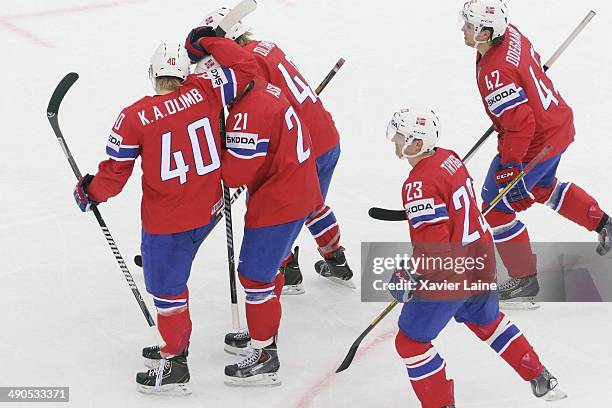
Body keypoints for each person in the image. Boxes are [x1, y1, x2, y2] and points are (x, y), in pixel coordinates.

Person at [72, 31, 257, 394]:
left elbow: (113, 176)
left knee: (166, 291)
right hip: (210, 209)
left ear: (153, 73)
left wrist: (88, 191)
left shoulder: (134, 116)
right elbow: (246, 68)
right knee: (171, 279)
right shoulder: (206, 88)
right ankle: (174, 346)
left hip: (167, 222)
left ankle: (175, 363)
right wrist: (211, 41)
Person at [385, 107, 566, 407]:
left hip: (451, 275)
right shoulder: (450, 158)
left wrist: (410, 276)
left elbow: (436, 249)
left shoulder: (417, 186)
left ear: (417, 144)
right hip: (481, 262)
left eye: (401, 135)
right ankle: (540, 376)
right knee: (489, 322)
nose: (394, 140)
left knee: (411, 344)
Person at [460, 0, 611, 306]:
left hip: (537, 139)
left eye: (470, 25)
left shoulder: (495, 72)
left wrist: (511, 166)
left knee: (495, 204)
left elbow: (521, 124)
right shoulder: (510, 33)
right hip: (556, 123)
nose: (463, 29)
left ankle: (524, 280)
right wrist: (521, 88)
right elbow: (529, 62)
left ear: (487, 32)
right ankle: (604, 224)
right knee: (541, 186)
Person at [196, 7, 354, 296]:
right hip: (325, 139)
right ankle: (337, 260)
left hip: (297, 151)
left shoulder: (247, 66)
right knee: (310, 205)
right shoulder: (265, 48)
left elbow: (260, 114)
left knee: (273, 212)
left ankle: (286, 271)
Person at [212, 76, 323, 384]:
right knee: (267, 270)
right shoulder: (261, 88)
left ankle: (265, 356)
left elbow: (234, 175)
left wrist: (223, 151)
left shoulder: (248, 113)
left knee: (255, 275)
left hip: (280, 200)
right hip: (295, 189)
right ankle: (264, 330)